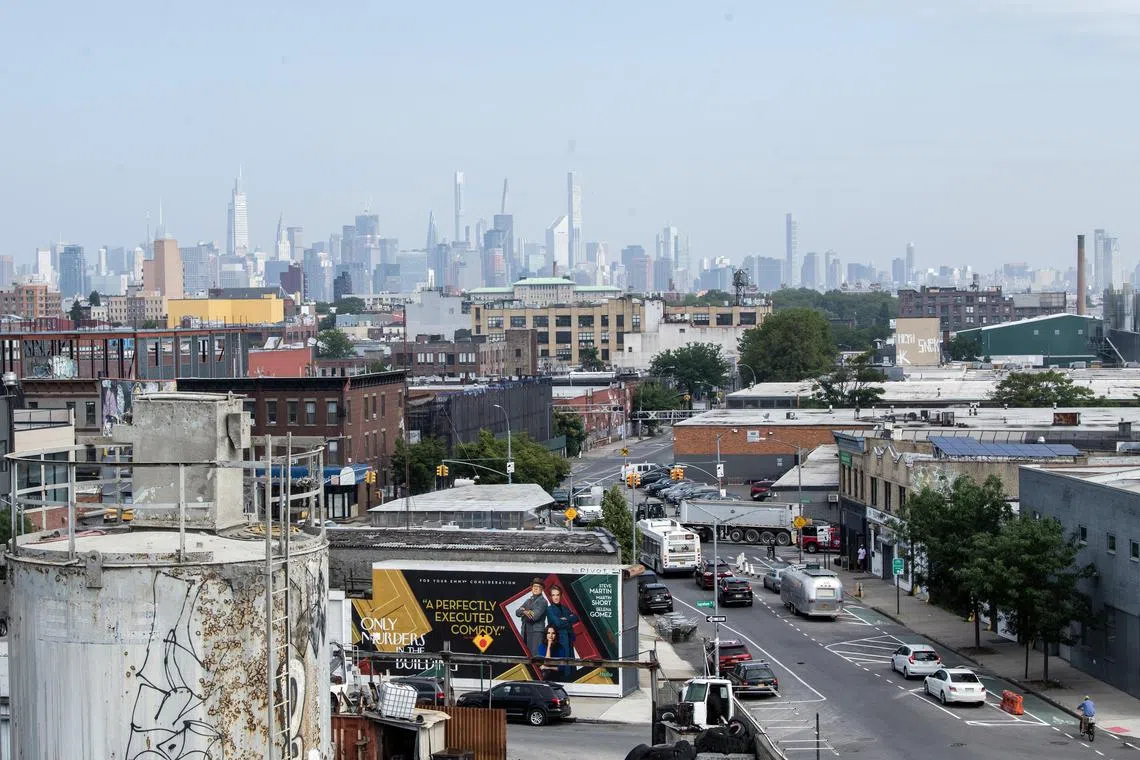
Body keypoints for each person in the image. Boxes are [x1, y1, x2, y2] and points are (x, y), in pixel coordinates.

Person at [515, 579, 549, 655]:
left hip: (536, 633)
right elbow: (517, 612)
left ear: (542, 589)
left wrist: (524, 611)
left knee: (536, 657)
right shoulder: (528, 600)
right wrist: (525, 611)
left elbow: (534, 617)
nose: (535, 588)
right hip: (525, 632)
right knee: (526, 656)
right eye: (534, 586)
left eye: (538, 586)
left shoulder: (543, 601)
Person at [545, 585, 580, 657]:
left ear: (561, 595)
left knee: (571, 662)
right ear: (551, 597)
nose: (556, 597)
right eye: (553, 595)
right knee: (563, 664)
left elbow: (576, 618)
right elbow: (558, 623)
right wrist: (569, 620)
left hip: (569, 638)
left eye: (557, 595)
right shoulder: (549, 609)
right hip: (559, 640)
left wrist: (566, 618)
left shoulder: (565, 608)